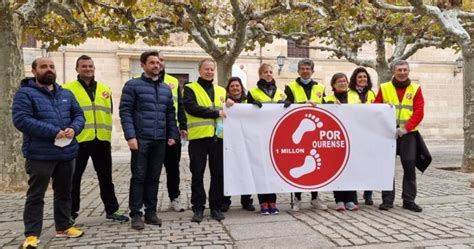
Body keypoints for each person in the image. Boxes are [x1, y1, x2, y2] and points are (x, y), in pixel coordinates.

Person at [12, 57, 85, 249]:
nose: (49, 69)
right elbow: (21, 120)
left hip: (66, 152)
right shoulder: (25, 94)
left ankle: (64, 227)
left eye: (51, 66)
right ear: (34, 71)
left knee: (64, 192)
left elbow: (79, 115)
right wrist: (53, 131)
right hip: (40, 154)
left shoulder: (67, 94)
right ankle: (32, 235)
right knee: (36, 195)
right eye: (44, 67)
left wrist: (74, 128)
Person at [63, 55, 129, 224]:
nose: (88, 69)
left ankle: (112, 210)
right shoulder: (67, 90)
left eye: (90, 66)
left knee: (106, 177)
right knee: (73, 178)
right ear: (77, 69)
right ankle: (71, 212)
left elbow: (109, 112)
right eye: (84, 66)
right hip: (79, 140)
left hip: (101, 140)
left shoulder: (104, 89)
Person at [119, 50, 178, 230]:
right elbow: (125, 112)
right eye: (152, 63)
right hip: (140, 139)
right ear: (143, 65)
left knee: (154, 176)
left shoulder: (165, 89)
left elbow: (170, 114)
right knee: (139, 176)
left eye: (158, 63)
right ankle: (136, 214)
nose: (156, 66)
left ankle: (151, 212)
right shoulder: (132, 86)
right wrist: (130, 136)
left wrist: (172, 135)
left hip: (160, 140)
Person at [374, 60, 424, 213]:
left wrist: (405, 129)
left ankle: (409, 201)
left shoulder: (416, 89)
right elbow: (376, 108)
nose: (402, 73)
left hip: (408, 134)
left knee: (409, 166)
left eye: (405, 70)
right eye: (399, 70)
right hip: (388, 133)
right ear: (393, 72)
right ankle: (387, 201)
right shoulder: (384, 88)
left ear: (408, 71)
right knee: (388, 167)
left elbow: (419, 112)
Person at [183, 59, 227, 223]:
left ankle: (215, 207)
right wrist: (215, 114)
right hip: (198, 138)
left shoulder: (222, 90)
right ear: (199, 70)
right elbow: (191, 107)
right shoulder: (189, 88)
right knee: (197, 174)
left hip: (218, 138)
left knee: (218, 174)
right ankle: (198, 208)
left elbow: (228, 109)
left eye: (211, 69)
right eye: (206, 69)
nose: (209, 72)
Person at [284, 58, 328, 212]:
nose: (305, 71)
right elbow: (286, 106)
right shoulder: (290, 87)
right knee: (297, 162)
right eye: (302, 68)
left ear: (312, 71)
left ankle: (315, 198)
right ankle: (297, 198)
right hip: (297, 130)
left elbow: (325, 105)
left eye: (308, 69)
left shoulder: (321, 87)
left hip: (315, 132)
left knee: (314, 165)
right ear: (298, 71)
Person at [247, 63, 285, 215]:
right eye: (265, 72)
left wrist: (288, 105)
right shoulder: (252, 92)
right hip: (259, 136)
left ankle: (273, 201)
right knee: (261, 169)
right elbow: (246, 113)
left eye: (270, 72)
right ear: (260, 74)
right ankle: (263, 202)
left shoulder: (281, 93)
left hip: (276, 136)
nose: (269, 74)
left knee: (273, 170)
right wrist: (250, 105)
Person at [324, 73, 359, 211]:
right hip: (335, 139)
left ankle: (350, 199)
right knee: (337, 169)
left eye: (345, 81)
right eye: (339, 81)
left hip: (352, 138)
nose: (343, 83)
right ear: (333, 84)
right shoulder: (327, 99)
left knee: (351, 169)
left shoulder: (355, 97)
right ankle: (339, 200)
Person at [158, 53, 187, 212]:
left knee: (173, 169)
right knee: (150, 170)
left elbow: (180, 105)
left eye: (161, 60)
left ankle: (174, 198)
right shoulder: (137, 80)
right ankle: (148, 202)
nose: (159, 64)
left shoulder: (174, 81)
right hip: (151, 133)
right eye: (155, 61)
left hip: (172, 132)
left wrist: (183, 126)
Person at [222, 77, 255, 212]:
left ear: (241, 87)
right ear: (228, 89)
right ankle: (225, 201)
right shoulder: (223, 101)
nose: (235, 88)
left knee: (246, 169)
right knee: (228, 170)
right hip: (229, 141)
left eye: (237, 86)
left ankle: (246, 200)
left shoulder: (248, 100)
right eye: (232, 86)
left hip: (246, 139)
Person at [348, 67, 376, 206]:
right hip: (353, 135)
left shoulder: (372, 94)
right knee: (354, 166)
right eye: (360, 77)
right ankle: (353, 195)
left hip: (369, 135)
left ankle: (368, 194)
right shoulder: (348, 94)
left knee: (369, 166)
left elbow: (378, 110)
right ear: (355, 79)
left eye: (365, 77)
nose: (362, 79)